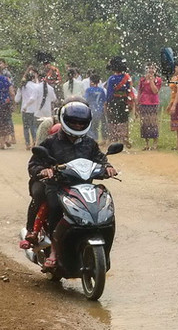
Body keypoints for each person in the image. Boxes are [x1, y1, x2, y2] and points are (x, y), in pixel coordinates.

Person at [25, 101, 118, 269]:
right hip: (58, 186)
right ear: (65, 120)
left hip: (83, 186)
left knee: (102, 204)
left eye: (81, 122)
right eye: (73, 121)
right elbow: (34, 164)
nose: (77, 125)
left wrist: (108, 167)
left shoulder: (89, 143)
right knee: (54, 207)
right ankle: (53, 251)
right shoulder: (51, 142)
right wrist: (44, 170)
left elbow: (100, 158)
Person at [104, 57, 134, 146]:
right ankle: (124, 138)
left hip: (113, 101)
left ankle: (114, 139)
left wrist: (106, 103)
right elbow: (130, 91)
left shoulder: (112, 79)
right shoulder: (128, 78)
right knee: (123, 120)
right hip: (124, 101)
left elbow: (109, 93)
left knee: (113, 120)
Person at [137, 63, 162, 150]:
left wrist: (151, 80)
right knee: (144, 122)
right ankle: (146, 143)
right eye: (149, 68)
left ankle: (155, 142)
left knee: (153, 122)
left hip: (153, 102)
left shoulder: (158, 80)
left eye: (153, 68)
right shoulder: (142, 79)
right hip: (143, 102)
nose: (151, 70)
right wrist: (137, 102)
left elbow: (155, 91)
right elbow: (139, 91)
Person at [15, 70, 39, 149]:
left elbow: (17, 99)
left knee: (25, 127)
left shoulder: (22, 86)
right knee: (33, 126)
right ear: (33, 78)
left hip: (24, 110)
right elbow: (35, 97)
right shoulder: (35, 86)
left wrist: (23, 104)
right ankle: (35, 141)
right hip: (33, 109)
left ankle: (27, 143)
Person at [84, 73, 107, 141]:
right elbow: (104, 102)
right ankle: (97, 139)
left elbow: (86, 100)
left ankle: (93, 139)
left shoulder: (88, 90)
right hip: (99, 110)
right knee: (97, 126)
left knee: (90, 127)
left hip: (91, 110)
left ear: (91, 81)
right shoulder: (101, 90)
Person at [167, 62, 178, 151]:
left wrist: (174, 104)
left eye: (176, 67)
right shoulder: (173, 77)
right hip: (173, 100)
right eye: (174, 67)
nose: (175, 69)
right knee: (176, 126)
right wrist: (170, 104)